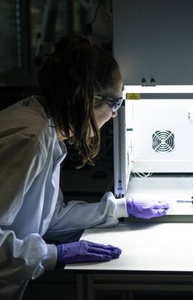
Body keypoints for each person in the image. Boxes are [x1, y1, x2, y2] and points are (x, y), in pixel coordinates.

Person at [0, 35, 169, 299]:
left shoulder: (45, 128)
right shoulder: (30, 138)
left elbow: (48, 217)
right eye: (114, 103)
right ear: (87, 98)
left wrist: (119, 208)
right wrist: (53, 255)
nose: (114, 114)